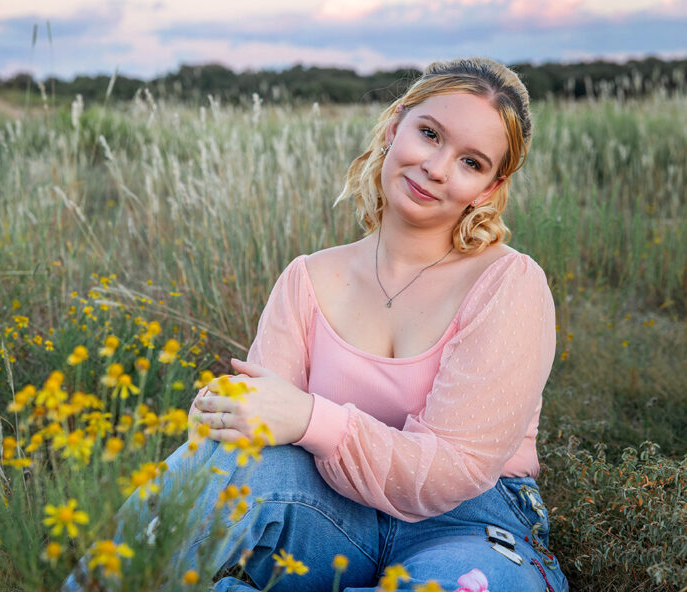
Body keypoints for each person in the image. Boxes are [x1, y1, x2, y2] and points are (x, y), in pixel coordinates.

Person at [64, 57, 569, 592]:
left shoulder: (507, 282)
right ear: (396, 126)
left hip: (469, 525)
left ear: (489, 189)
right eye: (429, 134)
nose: (438, 168)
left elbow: (449, 472)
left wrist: (309, 417)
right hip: (331, 514)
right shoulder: (308, 278)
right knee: (226, 460)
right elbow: (257, 434)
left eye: (471, 162)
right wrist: (222, 413)